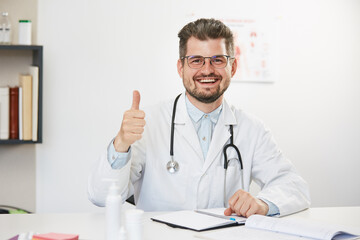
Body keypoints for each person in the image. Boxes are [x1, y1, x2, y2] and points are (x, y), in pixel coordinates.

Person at [88, 18, 310, 217]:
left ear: (232, 67)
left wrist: (262, 204)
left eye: (218, 60)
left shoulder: (252, 128)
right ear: (180, 67)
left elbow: (294, 186)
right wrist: (121, 144)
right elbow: (101, 196)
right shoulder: (147, 124)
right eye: (196, 60)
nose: (207, 70)